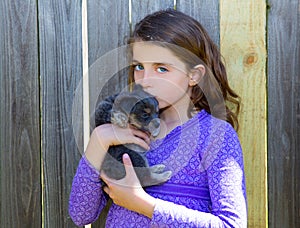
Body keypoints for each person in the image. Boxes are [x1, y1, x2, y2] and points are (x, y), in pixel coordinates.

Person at [69, 9, 247, 227]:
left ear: (194, 75)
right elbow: (81, 214)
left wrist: (140, 202)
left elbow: (231, 224)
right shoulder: (125, 128)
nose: (145, 80)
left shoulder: (215, 136)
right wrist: (98, 141)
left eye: (161, 68)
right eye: (139, 67)